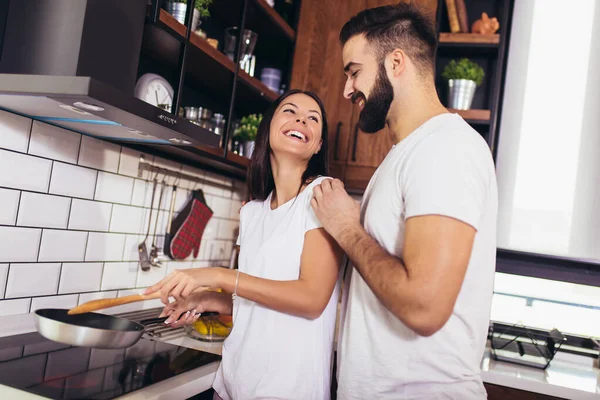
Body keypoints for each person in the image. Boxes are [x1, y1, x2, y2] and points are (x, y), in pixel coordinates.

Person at [310, 3, 498, 399]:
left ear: (395, 63)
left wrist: (346, 228)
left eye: (354, 72)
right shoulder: (408, 155)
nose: (346, 90)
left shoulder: (446, 147)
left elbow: (423, 308)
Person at [145, 89, 343, 400]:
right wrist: (206, 299)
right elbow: (256, 305)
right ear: (268, 131)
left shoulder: (324, 195)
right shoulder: (252, 212)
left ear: (318, 144)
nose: (301, 119)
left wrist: (219, 276)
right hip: (233, 384)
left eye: (313, 118)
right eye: (290, 111)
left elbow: (311, 298)